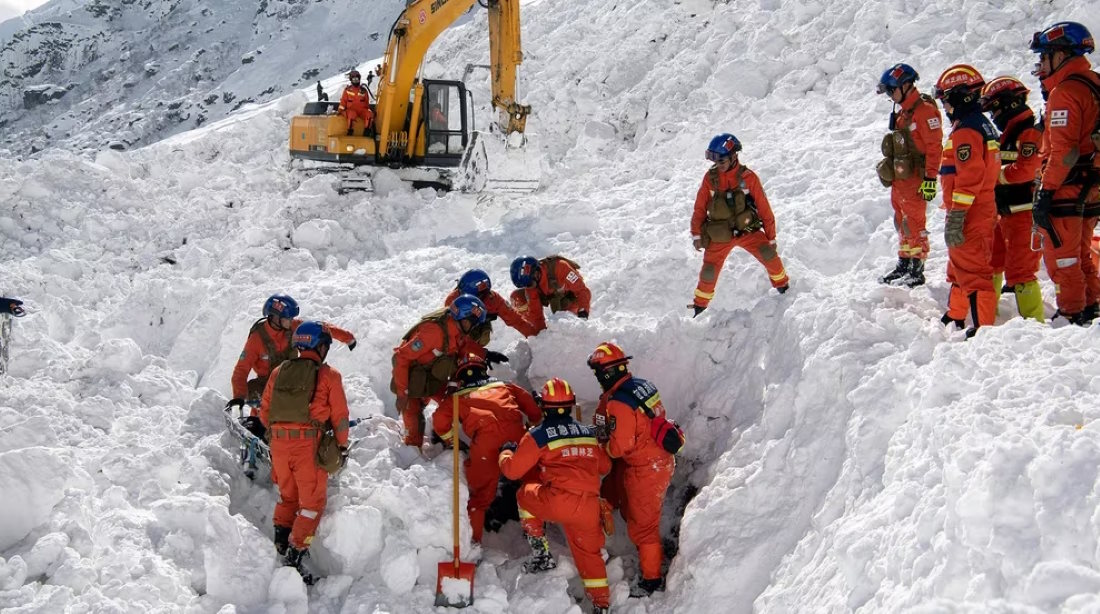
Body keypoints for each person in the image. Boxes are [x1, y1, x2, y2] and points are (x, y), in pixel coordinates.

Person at [498, 378, 611, 614]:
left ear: (542, 406)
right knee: (589, 555)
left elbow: (512, 470)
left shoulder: (539, 435)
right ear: (571, 405)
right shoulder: (587, 433)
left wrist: (507, 451)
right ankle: (602, 604)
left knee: (523, 494)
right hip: (589, 506)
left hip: (557, 501)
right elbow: (605, 467)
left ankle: (541, 553)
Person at [259, 321, 350, 583]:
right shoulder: (329, 375)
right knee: (311, 504)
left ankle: (280, 541)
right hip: (307, 445)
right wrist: (341, 445)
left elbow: (265, 412)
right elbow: (341, 417)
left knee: (289, 496)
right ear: (320, 347)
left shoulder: (279, 371)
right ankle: (295, 555)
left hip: (278, 444)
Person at [587, 342, 677, 597]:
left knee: (644, 528)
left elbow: (620, 447)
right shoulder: (640, 386)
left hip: (648, 468)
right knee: (628, 504)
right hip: (656, 458)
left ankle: (651, 580)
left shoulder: (619, 403)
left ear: (605, 374)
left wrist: (602, 449)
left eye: (597, 374)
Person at [1029, 21, 1100, 325]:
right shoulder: (1095, 82)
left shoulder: (1065, 92)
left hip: (1069, 186)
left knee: (1064, 257)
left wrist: (1046, 191)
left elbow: (1064, 152)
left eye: (1044, 57)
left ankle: (1071, 313)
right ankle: (1091, 306)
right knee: (1082, 253)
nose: (1041, 65)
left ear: (1060, 55)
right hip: (1093, 184)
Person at [432, 353, 542, 543]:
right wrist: (533, 424)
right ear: (483, 369)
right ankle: (536, 534)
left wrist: (452, 441)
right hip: (517, 438)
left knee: (480, 497)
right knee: (531, 483)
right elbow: (531, 407)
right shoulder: (504, 385)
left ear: (460, 375)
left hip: (485, 444)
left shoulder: (456, 397)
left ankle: (474, 543)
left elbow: (439, 421)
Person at [690, 133, 789, 316]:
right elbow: (700, 208)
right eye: (715, 161)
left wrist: (771, 237)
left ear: (734, 156)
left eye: (721, 161)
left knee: (770, 256)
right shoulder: (710, 179)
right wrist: (696, 234)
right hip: (719, 235)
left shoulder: (749, 178)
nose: (717, 165)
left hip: (747, 231)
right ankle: (699, 307)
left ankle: (784, 288)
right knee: (709, 273)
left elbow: (764, 208)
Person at [934, 65, 1000, 337]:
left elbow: (969, 176)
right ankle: (957, 314)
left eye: (946, 100)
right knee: (960, 266)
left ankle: (983, 330)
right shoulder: (981, 124)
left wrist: (958, 214)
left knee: (973, 271)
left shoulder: (967, 131)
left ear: (962, 97)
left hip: (970, 211)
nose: (946, 107)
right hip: (979, 207)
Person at [979, 76, 1045, 321]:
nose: (993, 114)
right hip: (1002, 210)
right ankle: (987, 315)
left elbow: (1026, 170)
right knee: (992, 262)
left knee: (1021, 270)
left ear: (1009, 103)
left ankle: (1034, 322)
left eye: (994, 107)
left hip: (1024, 212)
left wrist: (994, 176)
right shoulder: (1007, 133)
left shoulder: (1030, 133)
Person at [875, 63, 945, 287]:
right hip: (901, 179)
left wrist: (931, 179)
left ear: (905, 85)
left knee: (915, 221)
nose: (890, 95)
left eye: (891, 90)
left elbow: (935, 148)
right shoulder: (904, 111)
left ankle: (917, 267)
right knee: (902, 220)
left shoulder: (924, 111)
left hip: (917, 178)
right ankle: (904, 262)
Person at [228, 294, 356, 415]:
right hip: (267, 385)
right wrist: (239, 397)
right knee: (258, 394)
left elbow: (320, 328)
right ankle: (257, 422)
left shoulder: (293, 327)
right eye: (287, 318)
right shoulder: (256, 339)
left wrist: (347, 338)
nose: (291, 321)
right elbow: (241, 370)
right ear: (275, 318)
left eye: (291, 318)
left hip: (293, 379)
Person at [391, 295, 489, 447]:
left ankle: (443, 434)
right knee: (414, 427)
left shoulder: (457, 330)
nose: (474, 327)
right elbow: (401, 357)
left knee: (454, 402)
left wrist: (486, 354)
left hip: (433, 375)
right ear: (463, 318)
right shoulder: (433, 332)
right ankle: (413, 452)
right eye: (472, 323)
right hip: (411, 377)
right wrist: (402, 393)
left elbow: (464, 345)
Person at [444, 269, 538, 345]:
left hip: (477, 329)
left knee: (483, 337)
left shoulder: (493, 300)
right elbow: (451, 333)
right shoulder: (452, 301)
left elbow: (515, 320)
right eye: (460, 293)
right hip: (458, 332)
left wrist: (536, 337)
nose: (462, 297)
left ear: (481, 296)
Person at [508, 256, 592, 333]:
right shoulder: (531, 286)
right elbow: (536, 312)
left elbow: (582, 291)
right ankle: (534, 333)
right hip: (552, 298)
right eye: (527, 285)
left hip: (571, 298)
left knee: (563, 324)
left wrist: (583, 312)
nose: (530, 287)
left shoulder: (560, 267)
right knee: (517, 298)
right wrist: (541, 334)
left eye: (530, 284)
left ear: (536, 272)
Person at [338, 70, 374, 137]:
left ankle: (367, 131)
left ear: (359, 79)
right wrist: (340, 111)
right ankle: (350, 131)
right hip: (351, 110)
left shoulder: (364, 90)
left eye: (357, 79)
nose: (355, 80)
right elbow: (343, 101)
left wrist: (368, 110)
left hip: (361, 111)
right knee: (352, 114)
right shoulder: (347, 90)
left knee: (369, 114)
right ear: (351, 80)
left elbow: (366, 102)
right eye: (354, 79)